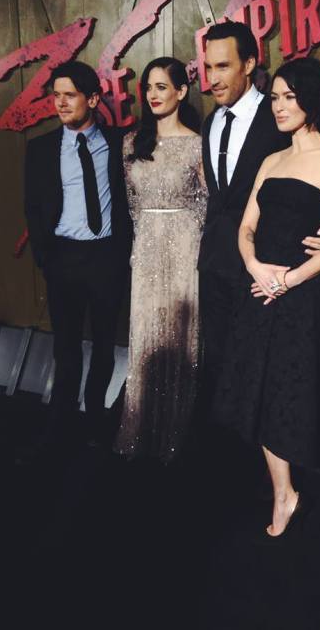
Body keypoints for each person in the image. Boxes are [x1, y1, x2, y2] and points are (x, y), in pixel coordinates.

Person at [215, 57, 320, 537]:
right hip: (258, 290)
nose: (279, 106)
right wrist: (257, 268)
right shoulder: (271, 160)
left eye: (288, 97)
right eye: (274, 97)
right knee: (256, 391)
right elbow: (246, 228)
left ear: (312, 99)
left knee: (286, 393)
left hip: (301, 296)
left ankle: (286, 495)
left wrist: (289, 280)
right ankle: (285, 493)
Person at [198, 21, 320, 407]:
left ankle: (257, 463)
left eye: (222, 66)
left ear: (249, 64)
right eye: (208, 68)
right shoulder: (210, 123)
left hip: (269, 270)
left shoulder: (283, 118)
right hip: (216, 265)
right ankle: (225, 457)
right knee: (221, 368)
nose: (212, 79)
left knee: (263, 374)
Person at [23, 61, 132, 457]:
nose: (61, 103)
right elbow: (33, 208)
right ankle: (60, 423)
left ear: (93, 98)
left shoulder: (121, 143)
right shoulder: (40, 149)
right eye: (56, 95)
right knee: (65, 347)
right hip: (63, 259)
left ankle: (95, 420)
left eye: (69, 95)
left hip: (105, 259)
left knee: (103, 345)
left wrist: (122, 255)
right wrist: (45, 259)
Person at [114, 57, 207, 461]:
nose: (152, 95)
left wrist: (193, 249)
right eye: (148, 88)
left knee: (181, 338)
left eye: (161, 87)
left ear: (181, 91)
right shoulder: (132, 141)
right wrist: (141, 246)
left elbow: (206, 204)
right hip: (147, 246)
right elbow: (132, 203)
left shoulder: (197, 144)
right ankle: (138, 429)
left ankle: (175, 435)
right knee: (146, 337)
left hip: (186, 247)